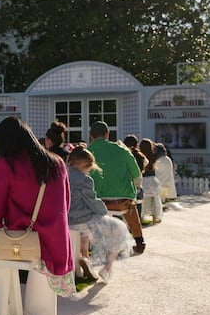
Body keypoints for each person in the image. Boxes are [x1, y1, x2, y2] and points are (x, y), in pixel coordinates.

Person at [0, 116, 73, 312]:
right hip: (56, 245)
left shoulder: (6, 164)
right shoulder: (57, 163)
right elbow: (65, 205)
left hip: (20, 241)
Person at [66, 144, 132, 282]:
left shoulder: (61, 174)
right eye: (89, 169)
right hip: (81, 219)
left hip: (65, 220)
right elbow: (92, 201)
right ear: (85, 164)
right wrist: (104, 213)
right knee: (119, 228)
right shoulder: (84, 179)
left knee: (85, 232)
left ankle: (85, 259)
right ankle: (107, 268)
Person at [88, 121, 146, 254]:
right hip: (123, 201)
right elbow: (137, 175)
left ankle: (90, 244)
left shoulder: (87, 153)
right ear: (107, 134)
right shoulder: (122, 150)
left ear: (90, 135)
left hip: (99, 202)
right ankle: (139, 241)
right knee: (131, 207)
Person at [138, 138, 163, 224]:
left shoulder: (140, 156)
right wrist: (154, 145)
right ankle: (156, 217)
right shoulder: (154, 155)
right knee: (155, 200)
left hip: (143, 181)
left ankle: (142, 217)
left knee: (143, 201)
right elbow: (162, 150)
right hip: (152, 180)